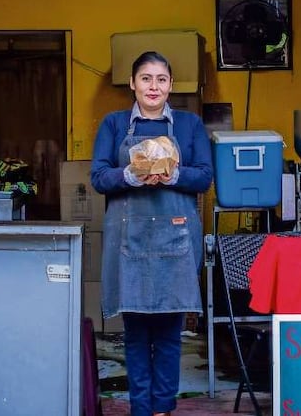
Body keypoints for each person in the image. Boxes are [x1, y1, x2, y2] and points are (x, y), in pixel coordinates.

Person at [91, 51, 214, 416]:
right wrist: (130, 175)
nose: (153, 86)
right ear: (133, 83)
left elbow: (205, 177)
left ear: (170, 85)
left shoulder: (189, 125)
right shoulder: (114, 125)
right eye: (146, 78)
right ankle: (141, 409)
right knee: (135, 335)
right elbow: (98, 177)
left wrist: (173, 174)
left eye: (161, 79)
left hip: (175, 243)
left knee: (169, 335)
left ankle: (162, 409)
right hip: (130, 243)